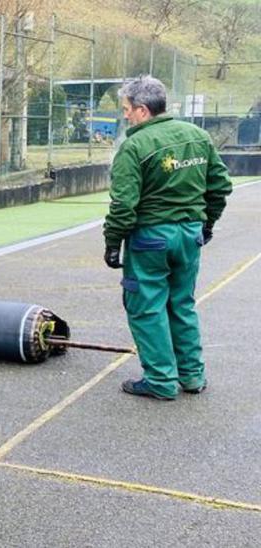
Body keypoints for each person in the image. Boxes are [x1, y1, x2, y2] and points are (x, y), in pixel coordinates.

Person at [103, 75, 232, 400]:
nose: (126, 116)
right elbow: (219, 187)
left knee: (147, 307)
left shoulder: (134, 146)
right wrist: (207, 224)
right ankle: (191, 376)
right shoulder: (198, 137)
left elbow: (123, 205)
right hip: (189, 235)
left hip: (150, 239)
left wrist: (112, 242)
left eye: (127, 110)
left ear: (143, 110)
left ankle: (160, 381)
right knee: (182, 303)